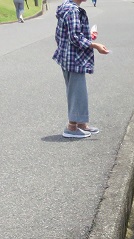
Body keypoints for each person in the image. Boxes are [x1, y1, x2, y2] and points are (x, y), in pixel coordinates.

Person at [52, 0, 109, 139]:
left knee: (77, 90)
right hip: (73, 58)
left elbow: (63, 35)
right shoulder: (72, 11)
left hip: (67, 56)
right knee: (77, 91)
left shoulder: (67, 7)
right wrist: (94, 45)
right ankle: (72, 127)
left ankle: (82, 123)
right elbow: (75, 37)